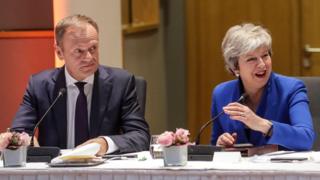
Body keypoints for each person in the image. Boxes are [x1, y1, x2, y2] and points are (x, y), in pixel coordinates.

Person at [11, 14, 150, 155]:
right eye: (79, 51)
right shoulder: (39, 86)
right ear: (59, 52)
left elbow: (140, 136)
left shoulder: (121, 83)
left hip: (103, 171)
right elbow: (17, 134)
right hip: (56, 173)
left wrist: (105, 143)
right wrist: (26, 141)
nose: (89, 57)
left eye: (93, 48)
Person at [211, 23, 315, 151]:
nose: (262, 64)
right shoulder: (221, 93)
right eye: (251, 59)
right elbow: (214, 146)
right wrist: (221, 143)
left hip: (282, 169)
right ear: (236, 67)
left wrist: (262, 125)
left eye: (265, 55)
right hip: (239, 170)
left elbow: (306, 138)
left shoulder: (291, 89)